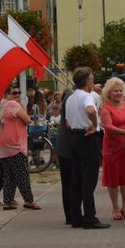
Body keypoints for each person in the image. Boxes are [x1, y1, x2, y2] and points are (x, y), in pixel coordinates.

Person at [66, 67, 109, 229]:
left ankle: (76, 217)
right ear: (87, 81)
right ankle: (90, 217)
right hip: (88, 137)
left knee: (76, 179)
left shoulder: (70, 97)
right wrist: (95, 124)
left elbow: (68, 122)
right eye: (91, 79)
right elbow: (91, 110)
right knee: (88, 181)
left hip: (75, 137)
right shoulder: (87, 96)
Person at [0, 84, 40, 211]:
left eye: (18, 93)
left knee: (9, 175)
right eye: (13, 93)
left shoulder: (2, 104)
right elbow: (27, 119)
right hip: (15, 144)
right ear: (6, 94)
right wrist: (20, 105)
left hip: (3, 145)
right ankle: (28, 200)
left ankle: (8, 201)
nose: (17, 95)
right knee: (22, 174)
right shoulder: (13, 104)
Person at [100, 77, 125, 221]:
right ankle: (115, 206)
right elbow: (108, 127)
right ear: (109, 93)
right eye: (115, 91)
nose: (119, 93)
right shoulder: (105, 108)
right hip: (112, 148)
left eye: (120, 90)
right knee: (113, 178)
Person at [55, 89, 73, 225]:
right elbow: (69, 124)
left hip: (64, 149)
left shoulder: (68, 98)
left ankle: (71, 215)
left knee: (67, 184)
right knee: (69, 184)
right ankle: (71, 215)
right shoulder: (71, 98)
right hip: (68, 149)